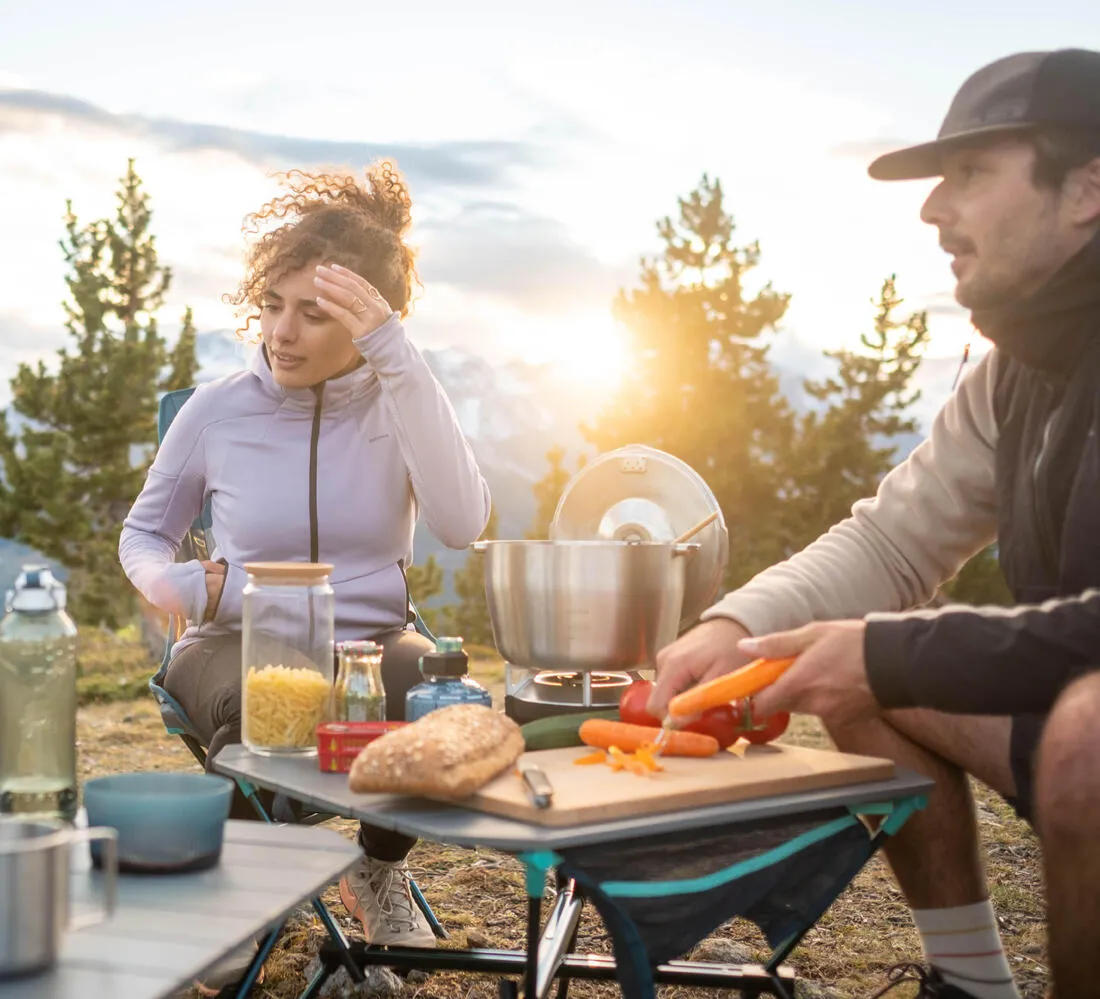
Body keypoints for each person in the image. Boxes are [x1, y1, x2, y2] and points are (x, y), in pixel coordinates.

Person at [648, 49, 1100, 999]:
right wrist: (737, 632)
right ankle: (971, 984)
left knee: (1083, 733)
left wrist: (891, 651)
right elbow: (893, 543)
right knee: (846, 674)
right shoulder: (1012, 374)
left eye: (971, 174)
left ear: (1088, 187)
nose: (935, 209)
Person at [120, 161, 491, 960]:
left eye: (314, 314)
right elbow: (142, 534)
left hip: (370, 640)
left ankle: (375, 868)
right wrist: (179, 584)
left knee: (450, 708)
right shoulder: (217, 410)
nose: (280, 333)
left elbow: (463, 522)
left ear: (367, 323)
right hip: (231, 640)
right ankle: (241, 895)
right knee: (266, 708)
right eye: (272, 305)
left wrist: (398, 357)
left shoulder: (403, 400)